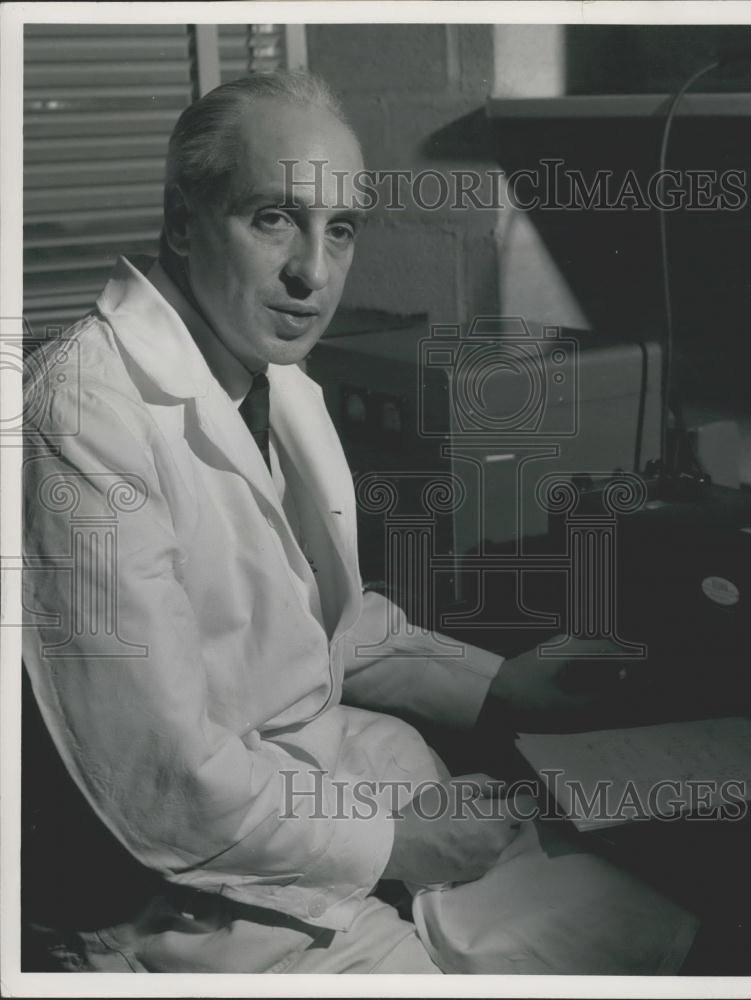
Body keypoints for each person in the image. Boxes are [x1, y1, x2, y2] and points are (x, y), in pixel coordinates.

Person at [21, 71, 692, 975]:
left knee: (647, 935)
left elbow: (322, 621)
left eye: (339, 229)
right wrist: (389, 846)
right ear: (182, 222)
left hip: (334, 788)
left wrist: (507, 685)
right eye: (272, 218)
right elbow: (166, 783)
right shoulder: (82, 416)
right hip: (190, 897)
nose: (313, 272)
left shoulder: (272, 374)